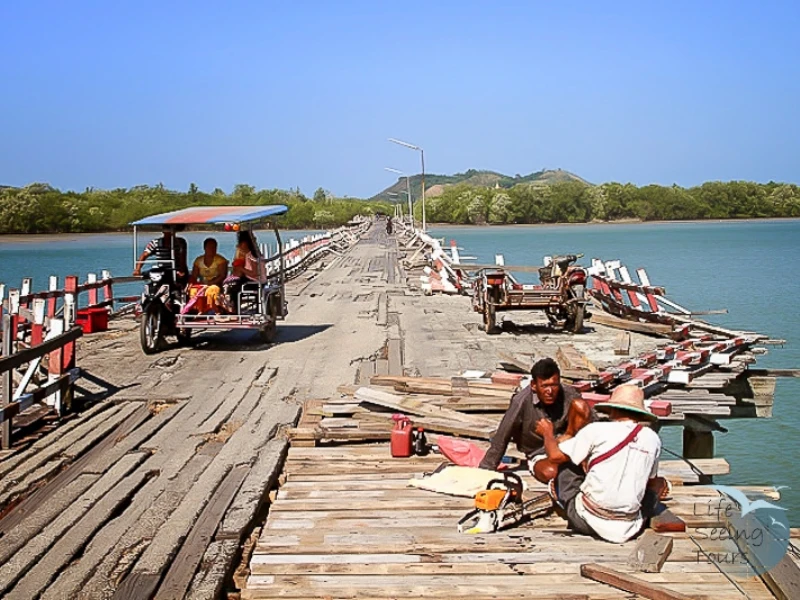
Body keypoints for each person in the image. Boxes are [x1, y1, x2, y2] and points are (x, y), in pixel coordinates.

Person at [535, 385, 670, 543]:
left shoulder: (596, 430)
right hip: (630, 527)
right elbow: (651, 481)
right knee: (654, 484)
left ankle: (562, 496)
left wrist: (547, 434)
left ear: (613, 409)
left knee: (567, 466)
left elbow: (554, 456)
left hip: (586, 520)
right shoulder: (653, 439)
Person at [479, 357, 593, 479]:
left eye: (554, 385)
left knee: (580, 406)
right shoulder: (521, 402)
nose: (550, 391)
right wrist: (485, 472)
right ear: (534, 385)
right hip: (540, 453)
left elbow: (594, 423)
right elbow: (502, 437)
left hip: (566, 446)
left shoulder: (569, 394)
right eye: (544, 386)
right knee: (551, 473)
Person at [184, 238, 230, 314]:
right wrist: (190, 284)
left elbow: (222, 276)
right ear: (204, 248)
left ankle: (214, 310)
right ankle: (198, 310)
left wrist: (211, 283)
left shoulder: (221, 260)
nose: (212, 249)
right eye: (210, 247)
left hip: (216, 284)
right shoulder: (198, 260)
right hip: (202, 284)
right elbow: (194, 276)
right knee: (193, 290)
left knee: (212, 289)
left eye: (214, 247)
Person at [224, 230, 264, 312]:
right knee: (233, 285)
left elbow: (255, 273)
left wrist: (241, 269)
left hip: (255, 282)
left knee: (233, 289)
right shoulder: (256, 253)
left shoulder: (250, 256)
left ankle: (234, 311)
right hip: (259, 281)